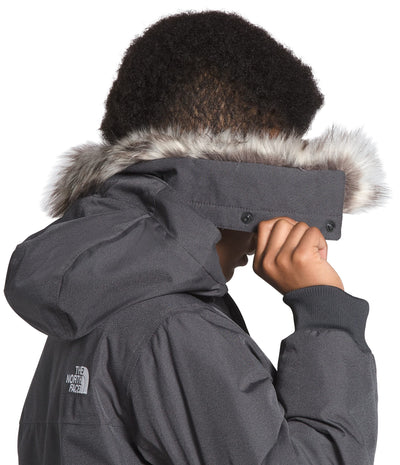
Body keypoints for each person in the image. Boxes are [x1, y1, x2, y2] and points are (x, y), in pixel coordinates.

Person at [3, 9, 390, 465]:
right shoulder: (175, 327)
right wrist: (326, 313)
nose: (279, 209)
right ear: (238, 170)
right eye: (281, 169)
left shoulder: (99, 296)